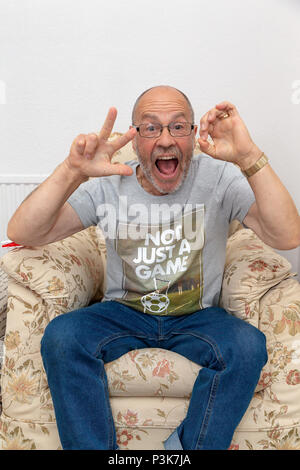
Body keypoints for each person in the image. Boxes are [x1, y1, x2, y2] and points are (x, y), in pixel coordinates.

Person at [7, 85, 300, 450]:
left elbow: (288, 235)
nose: (165, 139)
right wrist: (72, 171)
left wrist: (248, 157)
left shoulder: (218, 178)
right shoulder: (110, 181)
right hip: (122, 313)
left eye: (178, 127)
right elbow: (23, 232)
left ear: (193, 136)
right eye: (151, 128)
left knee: (247, 345)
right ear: (135, 137)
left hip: (197, 316)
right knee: (63, 337)